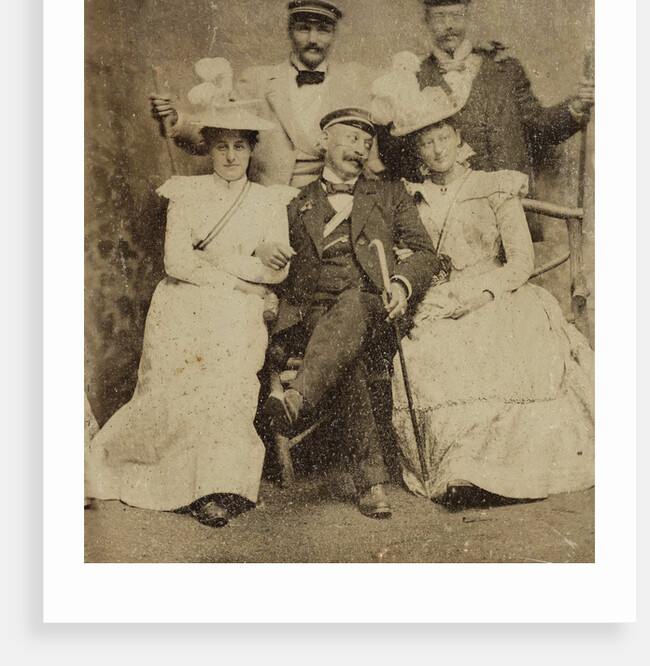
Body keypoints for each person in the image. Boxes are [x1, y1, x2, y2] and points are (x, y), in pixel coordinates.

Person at [85, 101, 294, 527]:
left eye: (239, 146)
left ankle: (219, 483)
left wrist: (216, 257)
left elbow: (279, 268)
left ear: (252, 149)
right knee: (184, 383)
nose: (231, 156)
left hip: (240, 308)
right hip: (184, 300)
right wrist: (241, 269)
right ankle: (187, 487)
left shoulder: (269, 201)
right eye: (221, 147)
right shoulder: (185, 191)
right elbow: (176, 263)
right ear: (208, 150)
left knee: (225, 382)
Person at [384, 93, 594, 508]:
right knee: (429, 355)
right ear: (418, 152)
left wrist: (481, 296)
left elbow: (520, 262)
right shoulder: (411, 198)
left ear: (458, 137)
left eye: (443, 136)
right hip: (440, 299)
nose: (438, 148)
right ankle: (459, 470)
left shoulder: (494, 185)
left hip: (499, 292)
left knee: (509, 347)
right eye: (427, 142)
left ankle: (509, 469)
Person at [261, 107, 440, 519]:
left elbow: (425, 253)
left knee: (355, 307)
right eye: (349, 138)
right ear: (324, 141)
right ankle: (372, 483)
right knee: (348, 356)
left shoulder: (390, 194)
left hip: (371, 308)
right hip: (309, 318)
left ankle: (296, 398)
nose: (359, 149)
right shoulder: (294, 203)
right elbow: (267, 256)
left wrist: (401, 283)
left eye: (366, 142)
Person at [372, 0, 594, 239]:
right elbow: (401, 157)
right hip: (452, 216)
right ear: (426, 22)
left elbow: (539, 128)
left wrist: (575, 106)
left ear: (468, 18)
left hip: (513, 207)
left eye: (456, 16)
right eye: (439, 17)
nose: (449, 26)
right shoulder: (413, 78)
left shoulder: (505, 70)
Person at [150, 0, 376, 187]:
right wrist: (176, 119)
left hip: (333, 209)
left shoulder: (353, 86)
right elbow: (211, 138)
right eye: (303, 29)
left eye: (323, 31)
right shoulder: (257, 81)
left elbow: (372, 158)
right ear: (289, 31)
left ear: (334, 35)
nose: (313, 40)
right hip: (269, 203)